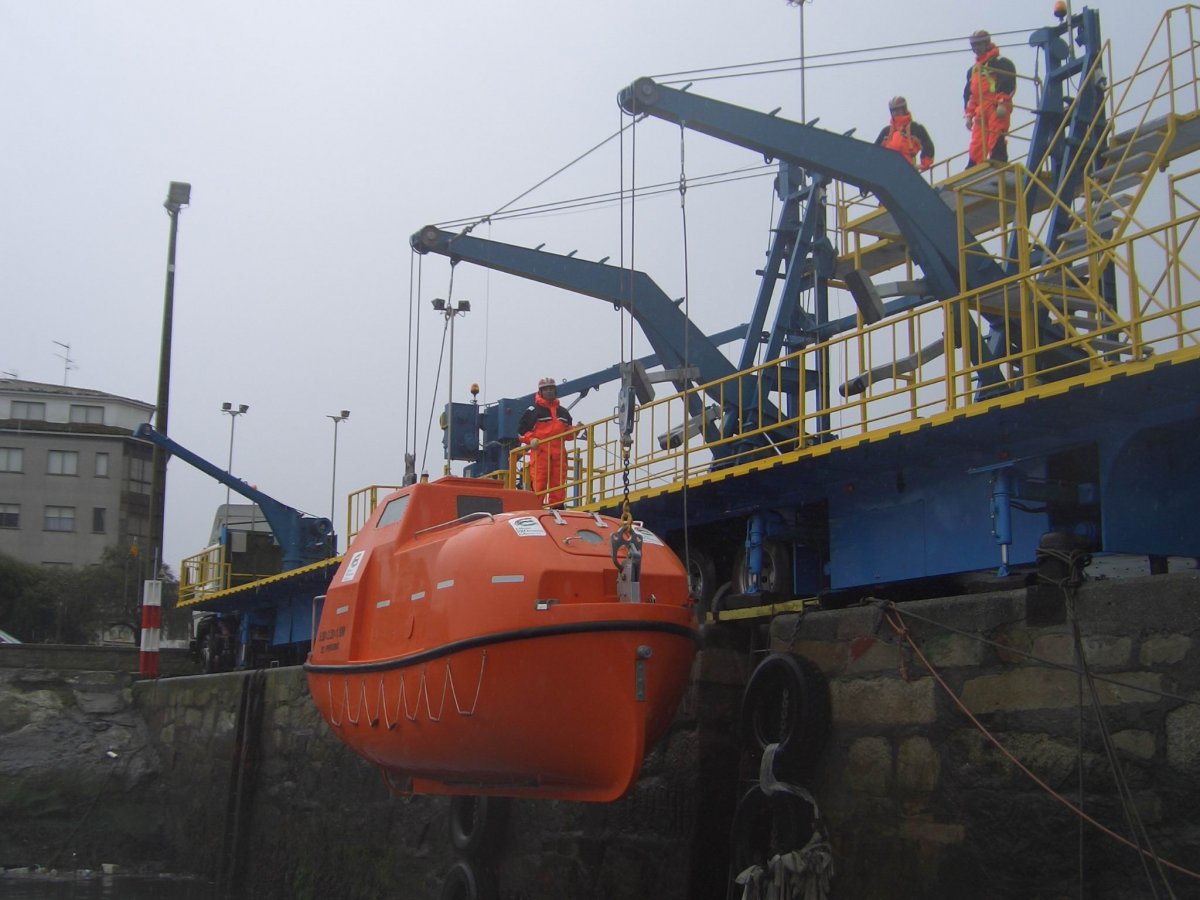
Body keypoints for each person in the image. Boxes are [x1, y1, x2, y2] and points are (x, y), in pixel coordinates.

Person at [517, 377, 574, 507]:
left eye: (551, 389)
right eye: (546, 389)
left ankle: (557, 508)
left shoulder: (563, 412)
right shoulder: (533, 411)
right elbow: (520, 432)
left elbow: (567, 433)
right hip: (540, 453)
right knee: (539, 483)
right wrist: (531, 440)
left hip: (559, 455)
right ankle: (536, 508)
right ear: (540, 392)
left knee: (558, 484)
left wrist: (576, 431)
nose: (549, 392)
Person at [964, 29, 1017, 166]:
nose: (976, 48)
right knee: (977, 140)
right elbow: (970, 94)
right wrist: (969, 114)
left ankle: (998, 162)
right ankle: (974, 166)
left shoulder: (1000, 62)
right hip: (981, 109)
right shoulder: (974, 70)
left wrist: (1002, 102)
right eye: (974, 45)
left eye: (979, 44)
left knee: (996, 133)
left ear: (987, 43)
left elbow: (1008, 81)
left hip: (995, 105)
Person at [874, 96, 935, 171]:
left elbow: (928, 146)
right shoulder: (886, 132)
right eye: (893, 110)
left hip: (906, 171)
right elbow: (874, 152)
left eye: (898, 110)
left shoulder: (915, 128)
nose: (895, 113)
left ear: (904, 109)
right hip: (887, 171)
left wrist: (924, 165)